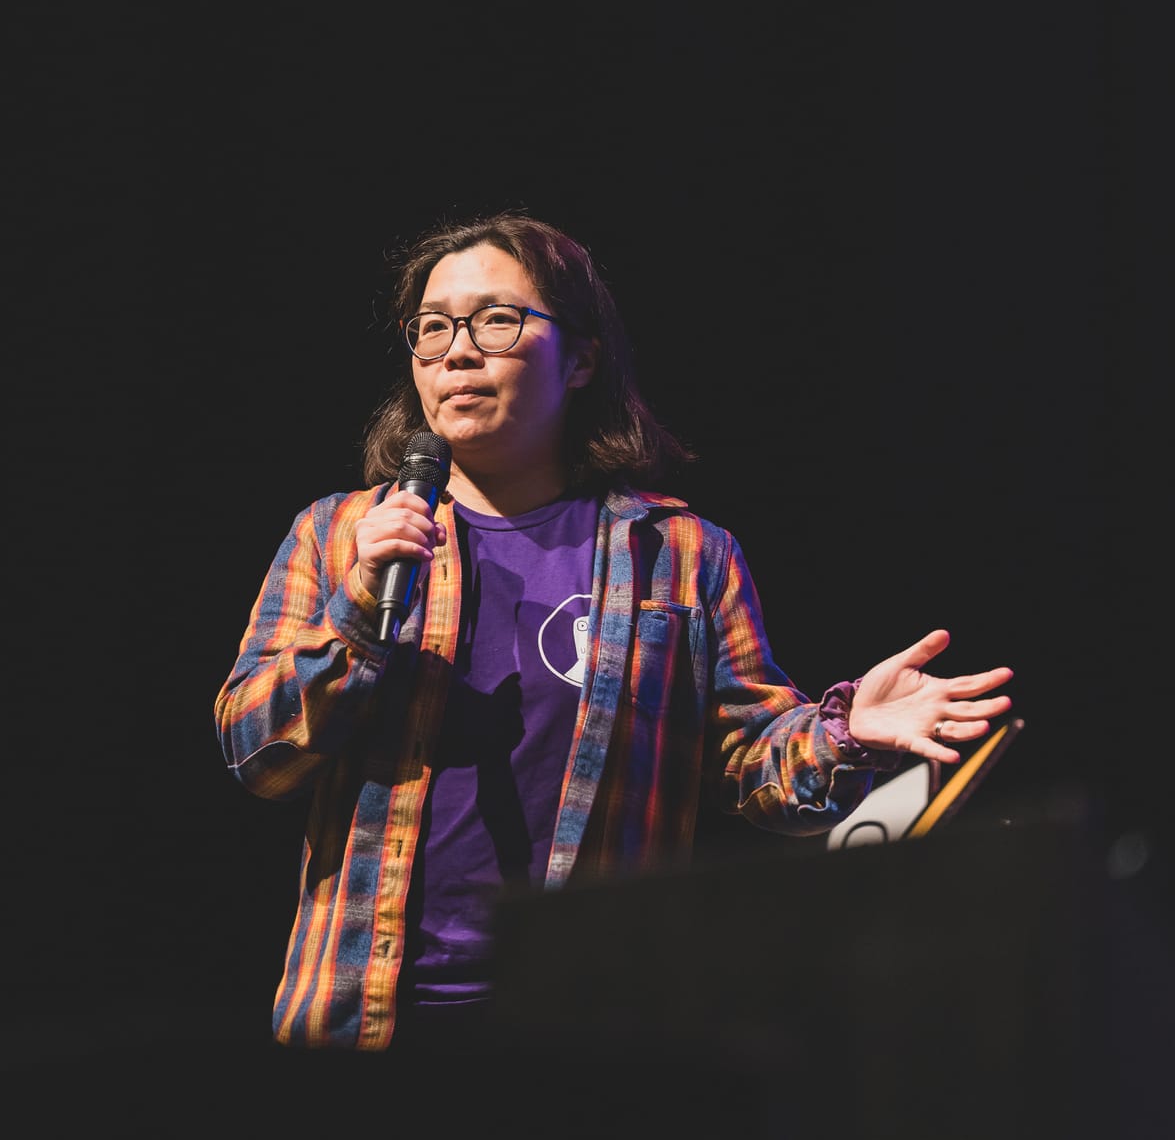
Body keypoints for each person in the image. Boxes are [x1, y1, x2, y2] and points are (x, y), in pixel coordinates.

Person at [213, 212, 1014, 1059]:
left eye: (497, 319)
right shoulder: (337, 535)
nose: (457, 351)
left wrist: (847, 729)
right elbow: (255, 751)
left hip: (590, 1030)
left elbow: (752, 761)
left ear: (583, 358)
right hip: (366, 1025)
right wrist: (357, 612)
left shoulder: (680, 555)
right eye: (433, 327)